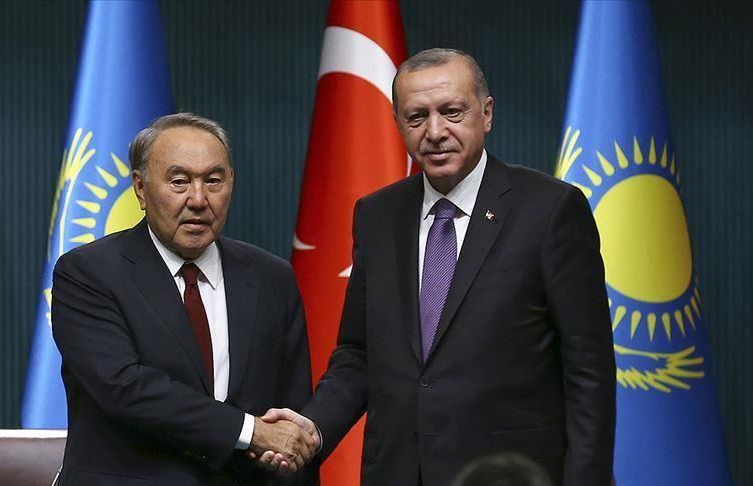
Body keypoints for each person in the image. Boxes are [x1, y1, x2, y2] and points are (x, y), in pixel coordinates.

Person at [258, 49, 616, 485]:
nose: (434, 132)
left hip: (507, 474)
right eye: (416, 117)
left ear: (486, 114)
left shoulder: (550, 210)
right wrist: (313, 428)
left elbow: (588, 370)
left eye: (451, 112)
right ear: (397, 123)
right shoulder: (377, 215)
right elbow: (359, 353)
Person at [51, 113, 318, 484]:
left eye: (213, 181)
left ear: (231, 182)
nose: (198, 199)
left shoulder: (271, 277)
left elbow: (292, 416)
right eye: (179, 181)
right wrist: (250, 431)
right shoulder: (88, 273)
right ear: (140, 188)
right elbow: (125, 388)